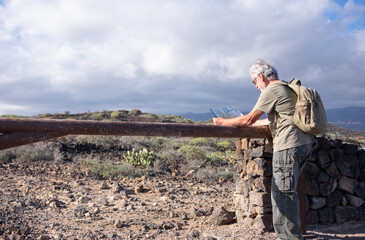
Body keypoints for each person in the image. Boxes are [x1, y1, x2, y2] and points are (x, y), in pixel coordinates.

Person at [213, 59, 315, 240]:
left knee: (283, 193)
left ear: (261, 76)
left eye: (254, 81)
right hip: (304, 143)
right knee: (285, 191)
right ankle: (287, 235)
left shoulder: (271, 90)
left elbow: (249, 120)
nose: (255, 86)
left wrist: (222, 122)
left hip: (288, 145)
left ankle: (289, 238)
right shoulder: (287, 88)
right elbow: (269, 121)